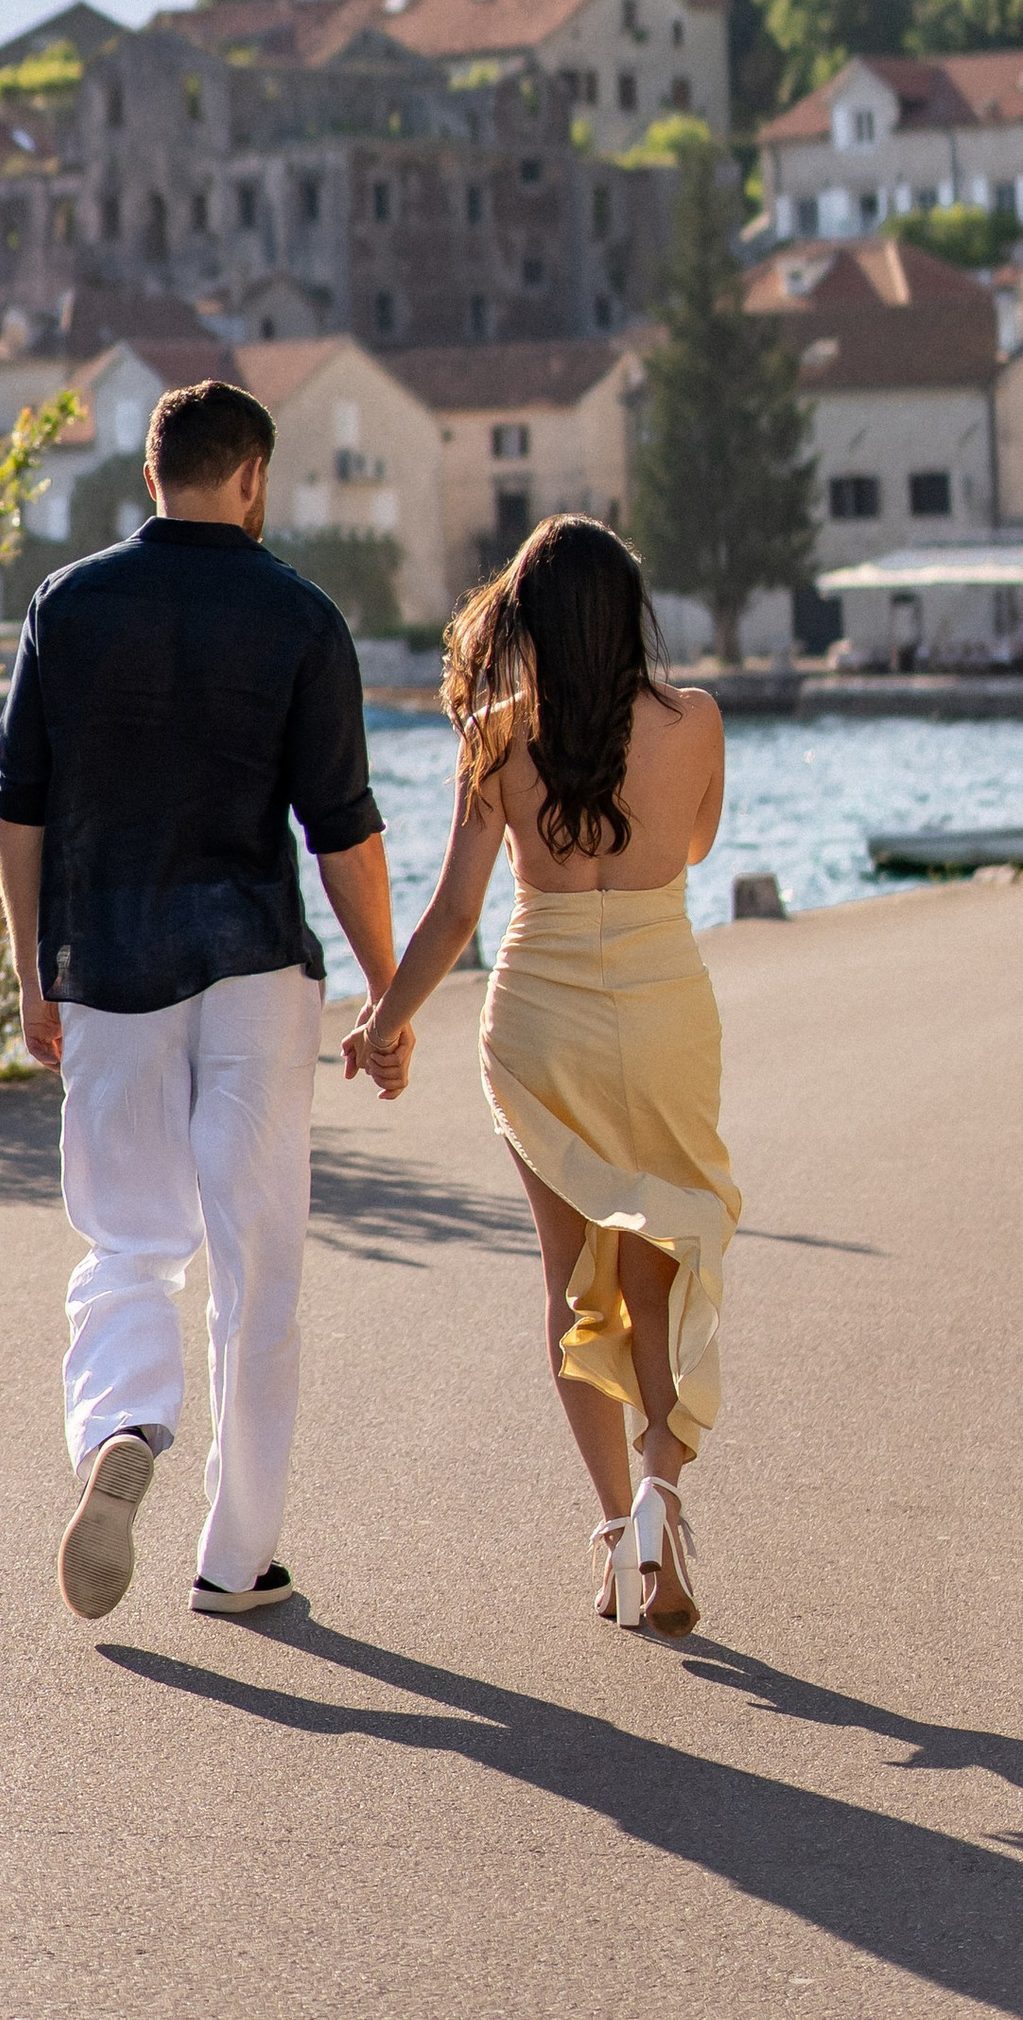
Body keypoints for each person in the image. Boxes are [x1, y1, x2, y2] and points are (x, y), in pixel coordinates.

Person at [0, 376, 402, 1625]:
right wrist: (388, 988)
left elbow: (17, 806)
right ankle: (235, 1562)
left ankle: (122, 1422)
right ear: (254, 476)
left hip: (110, 973)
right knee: (256, 1268)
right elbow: (344, 835)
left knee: (126, 1239)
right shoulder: (300, 617)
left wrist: (28, 968)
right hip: (256, 972)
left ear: (151, 472)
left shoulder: (69, 605)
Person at [347, 516, 737, 1634]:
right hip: (662, 1007)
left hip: (537, 1021)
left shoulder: (490, 734)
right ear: (628, 613)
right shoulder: (696, 721)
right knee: (667, 1265)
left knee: (572, 1283)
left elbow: (457, 912)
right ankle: (663, 1497)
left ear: (527, 618)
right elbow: (699, 848)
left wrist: (385, 1023)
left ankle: (618, 1534)